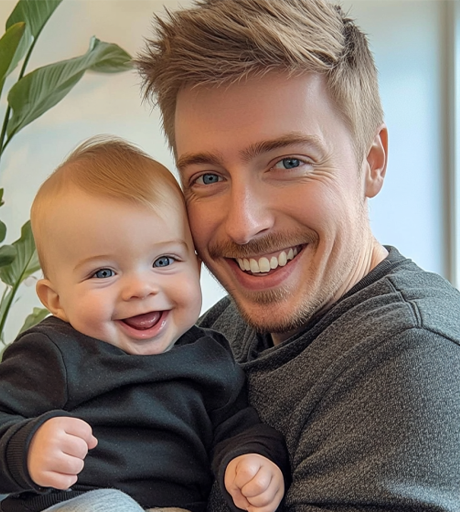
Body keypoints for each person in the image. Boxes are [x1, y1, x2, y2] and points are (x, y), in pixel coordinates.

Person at [134, 0, 460, 510]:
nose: (243, 224)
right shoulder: (222, 331)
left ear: (371, 162)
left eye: (288, 162)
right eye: (208, 178)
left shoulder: (414, 362)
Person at [0, 136, 289, 512]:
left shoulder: (210, 357)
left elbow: (238, 429)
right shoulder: (54, 353)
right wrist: (26, 447)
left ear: (196, 266)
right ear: (56, 300)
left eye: (163, 261)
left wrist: (250, 462)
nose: (141, 289)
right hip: (78, 503)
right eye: (104, 272)